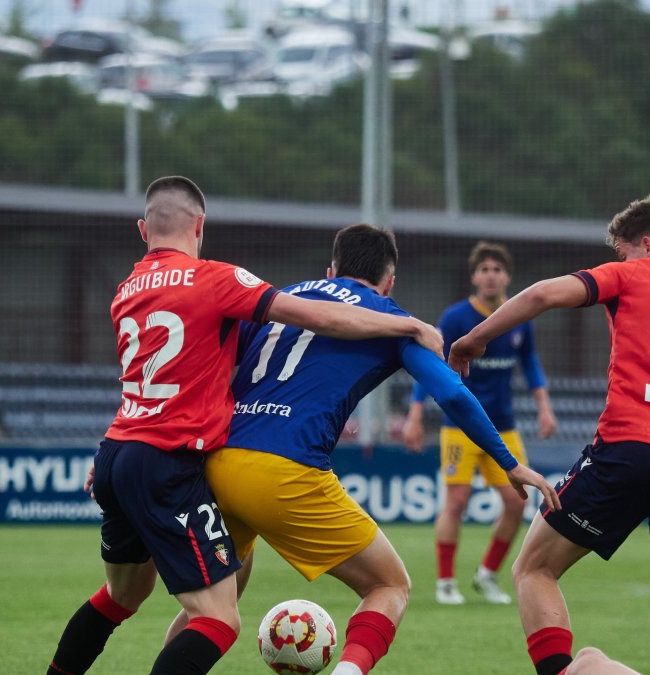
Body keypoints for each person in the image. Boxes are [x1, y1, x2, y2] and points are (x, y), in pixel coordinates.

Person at [45, 177, 443, 675]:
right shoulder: (216, 279)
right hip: (170, 461)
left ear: (143, 229)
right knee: (218, 619)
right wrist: (408, 324)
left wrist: (111, 445)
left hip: (118, 450)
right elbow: (319, 318)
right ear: (201, 224)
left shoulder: (126, 290)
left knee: (120, 596)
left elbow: (145, 376)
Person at [160, 224, 559, 675]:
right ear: (390, 280)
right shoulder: (388, 316)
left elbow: (205, 361)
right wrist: (509, 462)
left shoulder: (279, 298)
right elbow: (451, 393)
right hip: (284, 469)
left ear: (330, 269)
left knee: (214, 609)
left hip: (217, 462)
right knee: (389, 584)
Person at [448, 196, 650, 675]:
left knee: (534, 569)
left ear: (646, 245)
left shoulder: (634, 274)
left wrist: (475, 337)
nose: (619, 260)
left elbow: (542, 294)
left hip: (630, 448)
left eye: (622, 252)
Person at [401, 241, 559, 605]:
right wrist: (414, 413)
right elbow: (432, 364)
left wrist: (544, 407)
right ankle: (445, 583)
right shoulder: (456, 317)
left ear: (507, 276)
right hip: (460, 427)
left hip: (504, 426)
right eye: (484, 269)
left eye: (497, 270)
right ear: (474, 277)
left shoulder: (518, 318)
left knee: (517, 503)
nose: (491, 276)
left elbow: (531, 364)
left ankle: (487, 574)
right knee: (456, 500)